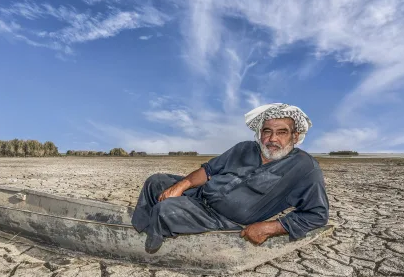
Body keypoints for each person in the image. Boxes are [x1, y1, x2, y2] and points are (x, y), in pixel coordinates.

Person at [131, 103, 329, 253]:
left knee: (165, 210)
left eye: (282, 133)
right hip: (200, 196)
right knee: (155, 182)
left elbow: (317, 214)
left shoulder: (305, 168)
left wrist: (271, 227)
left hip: (221, 219)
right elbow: (208, 171)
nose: (273, 139)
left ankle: (151, 245)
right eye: (267, 131)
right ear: (260, 134)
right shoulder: (244, 148)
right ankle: (140, 229)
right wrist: (182, 185)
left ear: (295, 136)